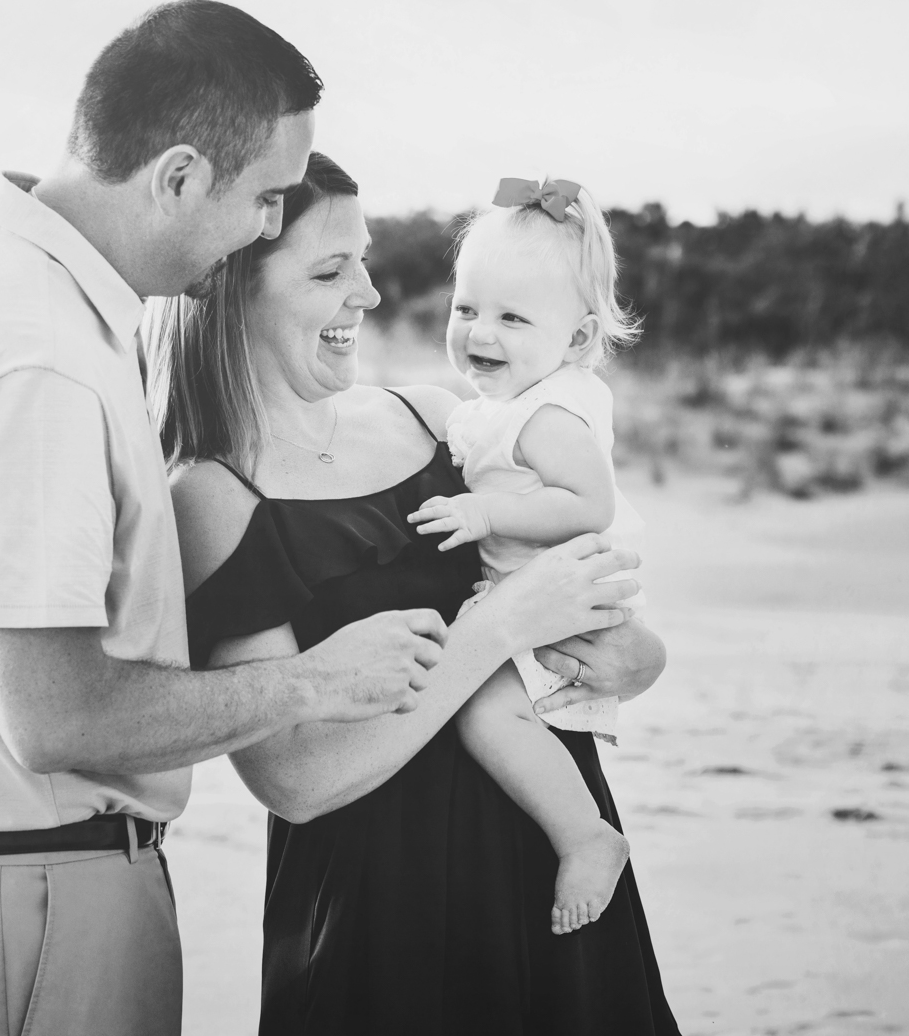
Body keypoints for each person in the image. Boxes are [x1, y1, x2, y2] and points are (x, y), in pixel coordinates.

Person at [0, 1, 450, 1036]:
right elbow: (59, 717)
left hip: (14, 891)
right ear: (176, 176)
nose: (269, 225)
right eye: (263, 198)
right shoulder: (32, 351)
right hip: (33, 907)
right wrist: (321, 680)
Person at [168, 153, 680, 1035]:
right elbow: (294, 778)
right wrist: (499, 628)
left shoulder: (435, 417)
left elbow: (594, 605)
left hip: (556, 865)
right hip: (384, 917)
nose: (367, 294)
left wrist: (632, 656)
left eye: (364, 262)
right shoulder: (212, 492)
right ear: (233, 286)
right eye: (331, 271)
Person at [408, 176, 647, 937]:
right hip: (535, 598)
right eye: (467, 309)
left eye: (513, 317)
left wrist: (484, 512)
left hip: (551, 602)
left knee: (483, 711)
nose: (481, 332)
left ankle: (585, 834)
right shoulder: (508, 406)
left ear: (575, 339)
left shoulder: (545, 416)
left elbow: (589, 504)